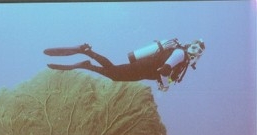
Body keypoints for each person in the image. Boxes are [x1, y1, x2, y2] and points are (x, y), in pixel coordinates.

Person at [44, 39, 205, 92]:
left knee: (114, 73)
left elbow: (166, 72)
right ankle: (86, 56)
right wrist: (164, 86)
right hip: (143, 68)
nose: (194, 49)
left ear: (198, 55)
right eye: (194, 46)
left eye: (198, 50)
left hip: (144, 70)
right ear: (190, 45)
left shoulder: (183, 60)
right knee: (114, 74)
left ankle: (87, 57)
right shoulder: (180, 54)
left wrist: (163, 81)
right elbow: (164, 70)